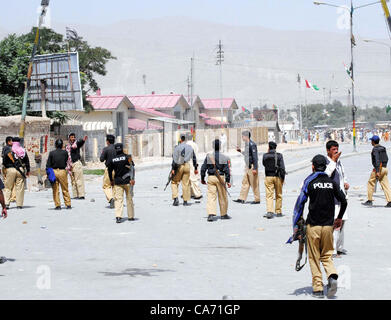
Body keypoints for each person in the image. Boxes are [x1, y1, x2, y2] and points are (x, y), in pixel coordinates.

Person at [290, 155, 347, 298]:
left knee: (314, 258)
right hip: (328, 226)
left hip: (313, 226)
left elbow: (300, 204)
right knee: (327, 255)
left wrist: (297, 223)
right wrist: (339, 218)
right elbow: (344, 201)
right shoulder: (331, 182)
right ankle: (332, 276)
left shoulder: (310, 182)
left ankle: (317, 289)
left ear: (313, 167)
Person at [325, 140, 349, 257]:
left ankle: (340, 248)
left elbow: (343, 175)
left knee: (342, 223)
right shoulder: (326, 162)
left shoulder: (339, 162)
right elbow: (326, 174)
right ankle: (333, 250)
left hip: (341, 196)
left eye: (336, 149)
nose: (336, 151)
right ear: (328, 151)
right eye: (333, 149)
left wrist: (345, 182)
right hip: (332, 198)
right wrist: (333, 161)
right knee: (335, 224)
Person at [201, 139, 232, 222]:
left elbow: (203, 168)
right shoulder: (224, 157)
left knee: (211, 196)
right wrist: (228, 181)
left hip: (211, 178)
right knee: (223, 196)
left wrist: (202, 178)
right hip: (220, 178)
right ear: (220, 146)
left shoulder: (209, 156)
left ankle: (211, 214)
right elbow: (227, 170)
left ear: (213, 146)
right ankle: (223, 214)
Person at [108, 143, 135, 224]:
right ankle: (130, 217)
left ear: (115, 149)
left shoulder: (112, 159)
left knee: (118, 200)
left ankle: (118, 217)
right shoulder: (128, 157)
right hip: (128, 182)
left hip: (118, 182)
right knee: (129, 199)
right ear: (122, 149)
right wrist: (132, 179)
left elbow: (109, 171)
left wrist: (111, 180)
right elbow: (132, 168)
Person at [362, 135, 391, 207]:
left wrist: (377, 170)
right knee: (385, 185)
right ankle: (390, 201)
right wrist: (383, 166)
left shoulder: (375, 149)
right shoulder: (383, 148)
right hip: (384, 168)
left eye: (371, 141)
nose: (371, 142)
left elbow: (377, 160)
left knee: (370, 183)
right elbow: (386, 158)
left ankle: (369, 200)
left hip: (378, 169)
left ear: (373, 142)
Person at [2, 137, 30, 209]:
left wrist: (5, 168)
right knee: (20, 187)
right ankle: (19, 205)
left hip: (10, 169)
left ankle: (7, 203)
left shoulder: (8, 150)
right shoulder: (23, 150)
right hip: (20, 170)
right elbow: (27, 161)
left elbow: (4, 160)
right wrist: (28, 170)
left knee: (8, 187)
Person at [234, 131, 260, 204]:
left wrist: (255, 168)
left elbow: (255, 157)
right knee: (245, 182)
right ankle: (241, 198)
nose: (242, 138)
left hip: (252, 166)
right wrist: (240, 151)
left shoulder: (252, 144)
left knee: (254, 183)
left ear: (246, 136)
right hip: (247, 166)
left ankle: (257, 199)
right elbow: (247, 154)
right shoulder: (247, 144)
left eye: (242, 136)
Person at [171, 135, 198, 207]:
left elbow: (174, 159)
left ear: (180, 139)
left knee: (174, 182)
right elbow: (194, 158)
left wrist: (173, 169)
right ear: (185, 140)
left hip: (179, 166)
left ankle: (175, 198)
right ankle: (185, 201)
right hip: (187, 165)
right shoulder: (190, 148)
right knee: (186, 183)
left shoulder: (177, 147)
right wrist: (195, 168)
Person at [46, 139, 72, 210]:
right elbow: (66, 160)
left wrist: (48, 174)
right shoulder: (65, 153)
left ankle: (58, 205)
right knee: (65, 188)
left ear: (55, 145)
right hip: (62, 171)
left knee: (55, 189)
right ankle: (68, 204)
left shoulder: (51, 153)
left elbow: (48, 164)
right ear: (62, 145)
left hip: (54, 171)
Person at [262, 142, 285, 219]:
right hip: (278, 177)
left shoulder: (265, 156)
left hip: (268, 176)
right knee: (279, 194)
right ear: (275, 148)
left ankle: (270, 211)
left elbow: (264, 164)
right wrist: (283, 178)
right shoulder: (279, 156)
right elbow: (282, 167)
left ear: (269, 147)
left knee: (269, 195)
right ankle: (278, 212)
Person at [66, 133, 87, 200]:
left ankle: (81, 195)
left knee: (79, 180)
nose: (73, 138)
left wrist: (83, 140)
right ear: (69, 138)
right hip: (70, 165)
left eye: (74, 137)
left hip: (76, 164)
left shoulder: (76, 144)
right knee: (73, 181)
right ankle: (75, 195)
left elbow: (80, 142)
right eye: (71, 137)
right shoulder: (67, 146)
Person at [100, 135, 116, 208]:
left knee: (106, 186)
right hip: (117, 169)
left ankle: (111, 198)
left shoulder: (106, 149)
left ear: (107, 141)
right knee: (115, 185)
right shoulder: (118, 148)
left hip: (109, 169)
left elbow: (101, 159)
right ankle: (116, 200)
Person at [186, 135, 202, 200]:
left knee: (191, 179)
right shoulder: (195, 144)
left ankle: (197, 194)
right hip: (195, 162)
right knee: (193, 178)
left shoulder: (186, 144)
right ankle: (191, 193)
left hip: (189, 163)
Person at [1, 137, 16, 203]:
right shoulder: (7, 148)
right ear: (8, 142)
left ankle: (12, 197)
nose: (13, 143)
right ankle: (8, 201)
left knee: (10, 183)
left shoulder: (4, 148)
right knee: (9, 185)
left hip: (6, 167)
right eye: (12, 141)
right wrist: (13, 161)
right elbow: (9, 155)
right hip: (9, 168)